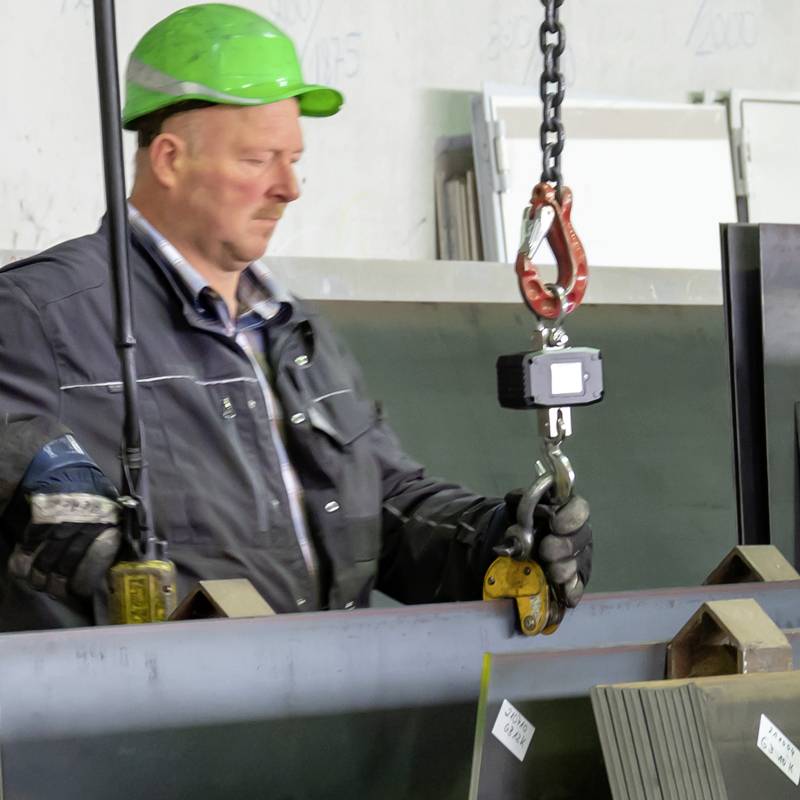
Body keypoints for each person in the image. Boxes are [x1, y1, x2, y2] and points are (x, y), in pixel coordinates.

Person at [0, 3, 591, 630]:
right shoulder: (43, 314)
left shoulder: (295, 334)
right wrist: (21, 466)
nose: (289, 187)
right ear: (170, 160)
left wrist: (499, 538)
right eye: (258, 160)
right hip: (137, 720)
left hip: (319, 710)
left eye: (293, 159)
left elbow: (382, 507)